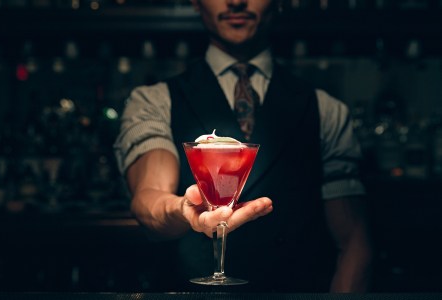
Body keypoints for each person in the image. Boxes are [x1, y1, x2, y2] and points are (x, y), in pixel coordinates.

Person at [114, 0, 372, 293]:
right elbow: (149, 196)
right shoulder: (153, 102)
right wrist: (183, 209)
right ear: (196, 3)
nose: (236, 1)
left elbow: (354, 241)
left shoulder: (327, 110)